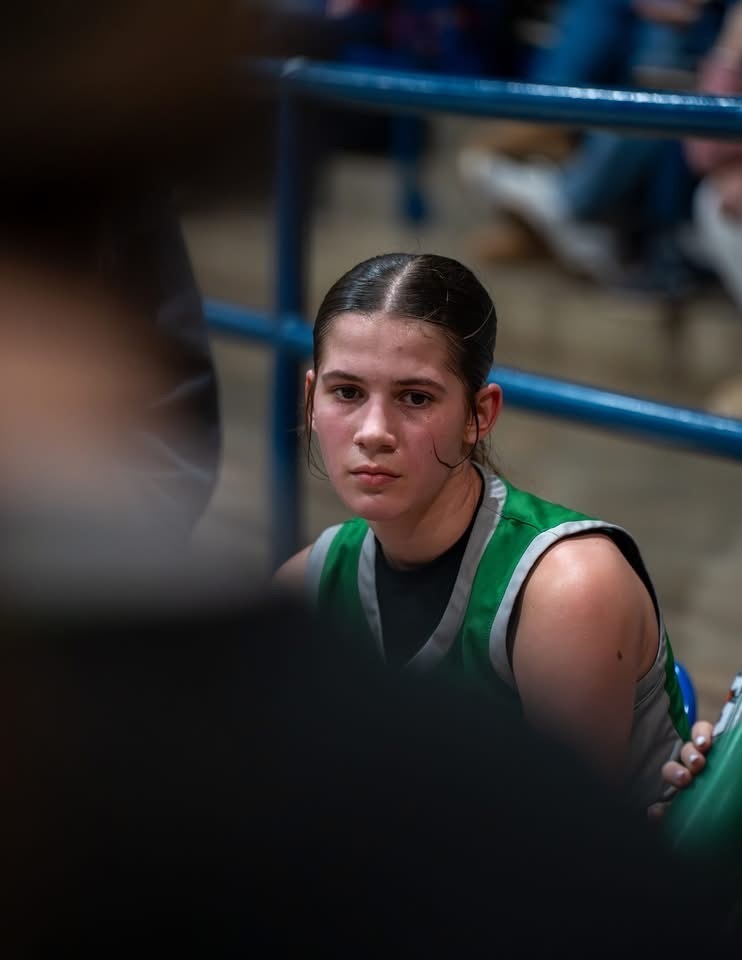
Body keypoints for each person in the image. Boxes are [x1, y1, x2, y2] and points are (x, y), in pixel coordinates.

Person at [274, 251, 692, 810]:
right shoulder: (306, 584)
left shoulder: (568, 588)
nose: (373, 432)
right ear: (311, 398)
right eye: (346, 392)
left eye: (415, 397)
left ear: (480, 415)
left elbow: (552, 862)